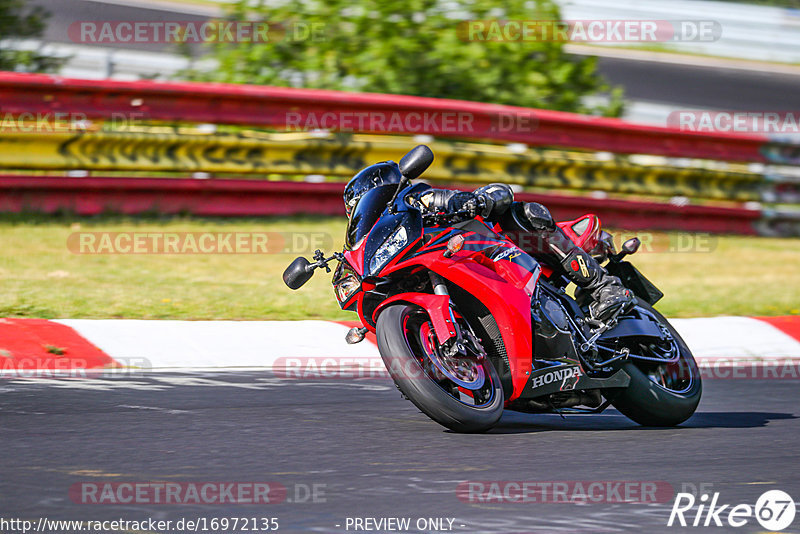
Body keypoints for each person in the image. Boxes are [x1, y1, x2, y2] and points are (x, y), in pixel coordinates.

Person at [343, 160, 634, 321]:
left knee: (524, 213)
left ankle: (605, 287)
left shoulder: (422, 201)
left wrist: (474, 201)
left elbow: (479, 198)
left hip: (500, 251)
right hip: (452, 269)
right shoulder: (382, 237)